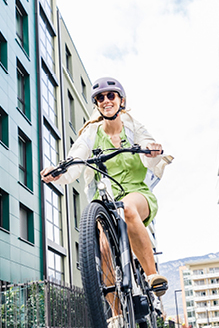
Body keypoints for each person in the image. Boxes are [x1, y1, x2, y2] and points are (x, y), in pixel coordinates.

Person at [41, 77, 171, 304]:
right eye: (100, 98)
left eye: (111, 95)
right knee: (103, 249)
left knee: (127, 209)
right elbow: (75, 159)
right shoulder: (91, 134)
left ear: (121, 101)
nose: (106, 100)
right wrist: (58, 172)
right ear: (97, 105)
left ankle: (152, 276)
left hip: (136, 193)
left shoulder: (134, 128)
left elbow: (148, 146)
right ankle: (116, 315)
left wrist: (151, 149)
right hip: (106, 200)